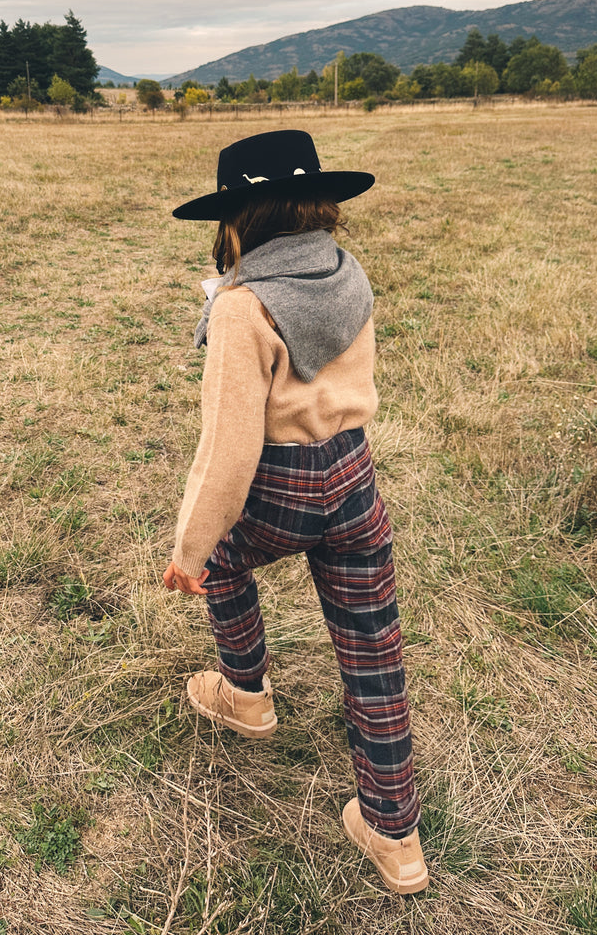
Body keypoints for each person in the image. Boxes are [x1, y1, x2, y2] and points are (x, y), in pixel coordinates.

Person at [162, 129, 429, 896]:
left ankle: (245, 695)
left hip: (276, 482)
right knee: (374, 645)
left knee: (222, 558)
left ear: (241, 218)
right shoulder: (350, 273)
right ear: (314, 205)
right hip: (353, 475)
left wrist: (190, 546)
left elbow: (228, 450)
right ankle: (396, 836)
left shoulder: (242, 309)